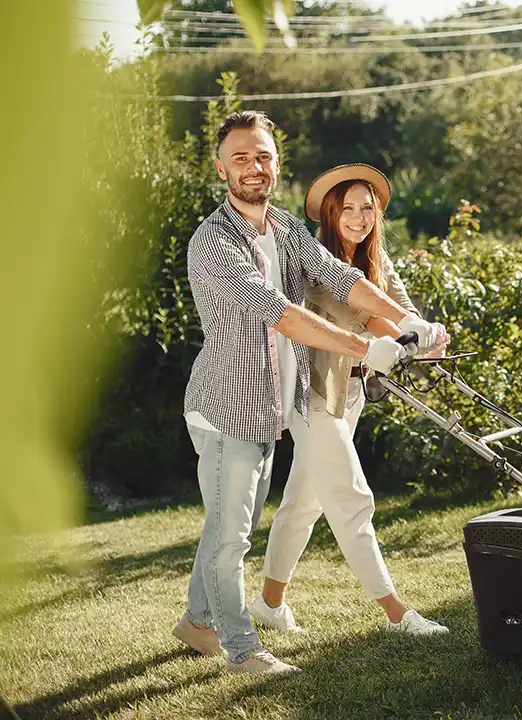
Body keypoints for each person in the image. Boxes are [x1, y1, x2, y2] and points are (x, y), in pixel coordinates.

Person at [171, 111, 449, 676]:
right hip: (226, 408)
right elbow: (283, 315)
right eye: (242, 157)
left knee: (228, 524)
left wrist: (407, 325)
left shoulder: (286, 232)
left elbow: (343, 278)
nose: (254, 167)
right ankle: (244, 652)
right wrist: (363, 347)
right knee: (232, 539)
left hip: (273, 405)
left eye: (264, 156)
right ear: (221, 167)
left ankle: (198, 622)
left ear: (276, 163)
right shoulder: (214, 242)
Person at [246, 163, 449, 637]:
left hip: (351, 392)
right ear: (331, 214)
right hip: (310, 393)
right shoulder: (314, 258)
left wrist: (426, 331)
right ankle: (397, 614)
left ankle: (269, 605)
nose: (359, 218)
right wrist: (407, 333)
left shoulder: (376, 258)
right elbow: (361, 312)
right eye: (349, 208)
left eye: (368, 208)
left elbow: (398, 304)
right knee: (351, 497)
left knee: (304, 503)